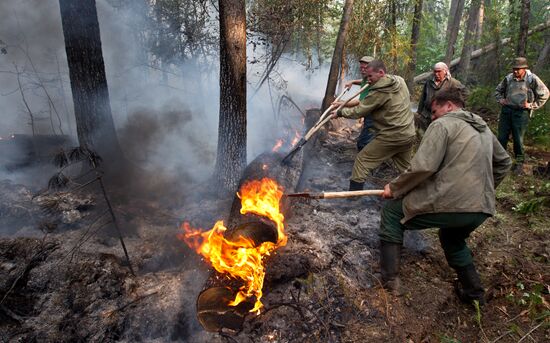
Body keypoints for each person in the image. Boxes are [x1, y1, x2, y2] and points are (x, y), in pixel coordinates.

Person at [378, 89, 512, 305]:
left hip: (454, 205)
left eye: (434, 110)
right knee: (452, 238)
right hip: (482, 208)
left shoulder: (442, 124)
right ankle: (474, 293)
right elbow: (504, 162)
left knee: (392, 213)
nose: (432, 117)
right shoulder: (484, 129)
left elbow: (424, 166)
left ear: (449, 105)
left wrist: (395, 188)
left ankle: (389, 283)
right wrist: (484, 189)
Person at [331, 60, 416, 191]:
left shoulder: (379, 92)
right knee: (407, 169)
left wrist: (340, 112)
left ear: (381, 73)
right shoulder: (400, 80)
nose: (368, 80)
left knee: (361, 161)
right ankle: (417, 192)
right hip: (408, 134)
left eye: (370, 76)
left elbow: (359, 111)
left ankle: (353, 197)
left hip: (391, 136)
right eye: (367, 77)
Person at [495, 57, 549, 174]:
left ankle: (519, 163)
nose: (515, 71)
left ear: (524, 69)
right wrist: (501, 100)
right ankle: (499, 161)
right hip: (506, 111)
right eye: (514, 68)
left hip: (521, 113)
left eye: (518, 69)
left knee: (518, 140)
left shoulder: (531, 79)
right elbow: (498, 90)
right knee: (501, 138)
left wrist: (532, 105)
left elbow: (545, 93)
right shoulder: (509, 78)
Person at [333, 55, 375, 151]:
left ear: (373, 68)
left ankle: (364, 161)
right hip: (370, 116)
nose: (363, 70)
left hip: (375, 118)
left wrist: (341, 104)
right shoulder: (367, 77)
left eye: (366, 68)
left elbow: (360, 102)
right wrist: (353, 81)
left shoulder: (372, 82)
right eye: (361, 67)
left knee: (363, 143)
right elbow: (362, 81)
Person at [417, 62, 467, 133]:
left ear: (445, 71)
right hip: (427, 115)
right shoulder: (429, 82)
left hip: (443, 116)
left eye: (439, 71)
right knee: (426, 134)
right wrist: (419, 111)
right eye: (435, 71)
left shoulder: (453, 83)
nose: (436, 74)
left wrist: (457, 108)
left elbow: (464, 95)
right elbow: (423, 97)